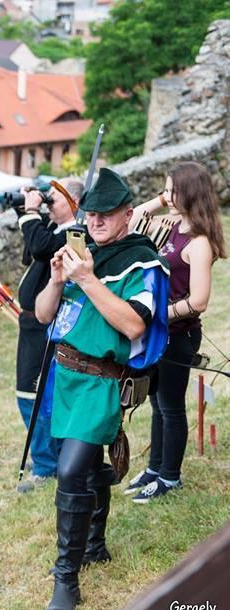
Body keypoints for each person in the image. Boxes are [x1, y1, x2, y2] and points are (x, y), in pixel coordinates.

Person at [34, 168, 169, 610]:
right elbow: (41, 316)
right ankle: (94, 545)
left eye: (105, 215)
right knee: (88, 466)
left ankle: (66, 577)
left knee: (71, 472)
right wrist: (57, 279)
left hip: (102, 382)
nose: (95, 222)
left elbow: (133, 324)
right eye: (90, 214)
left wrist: (89, 280)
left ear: (127, 214)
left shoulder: (143, 262)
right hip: (67, 378)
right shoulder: (79, 254)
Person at [126, 161, 226, 503]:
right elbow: (134, 218)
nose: (167, 196)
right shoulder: (169, 225)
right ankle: (155, 469)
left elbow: (198, 300)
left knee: (171, 407)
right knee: (157, 403)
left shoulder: (198, 241)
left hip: (178, 335)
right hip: (158, 332)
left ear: (190, 193)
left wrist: (158, 315)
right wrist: (160, 200)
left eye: (172, 190)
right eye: (166, 189)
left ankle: (170, 477)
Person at [14, 179, 85, 493]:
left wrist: (31, 212)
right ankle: (46, 455)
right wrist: (31, 209)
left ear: (75, 202)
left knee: (34, 395)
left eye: (53, 199)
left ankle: (46, 464)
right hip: (31, 325)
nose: (47, 203)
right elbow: (32, 251)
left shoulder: (75, 235)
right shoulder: (54, 230)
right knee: (33, 394)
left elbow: (41, 247)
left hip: (46, 326)